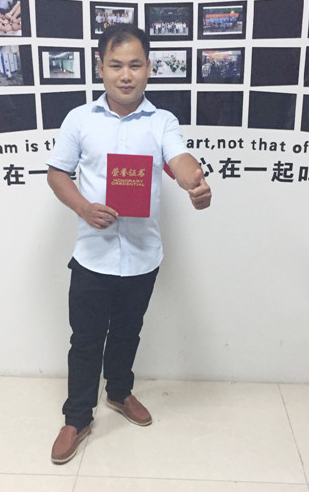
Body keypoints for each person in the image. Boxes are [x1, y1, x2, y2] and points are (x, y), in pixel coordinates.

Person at [46, 24, 211, 465]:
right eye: (116, 65)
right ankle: (77, 417)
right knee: (85, 340)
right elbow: (57, 174)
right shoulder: (80, 119)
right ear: (100, 68)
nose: (125, 74)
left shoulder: (162, 122)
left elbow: (179, 158)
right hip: (92, 255)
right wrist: (84, 208)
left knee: (126, 333)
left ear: (148, 69)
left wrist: (195, 182)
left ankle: (119, 392)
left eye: (135, 65)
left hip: (141, 256)